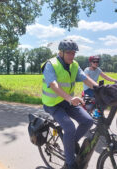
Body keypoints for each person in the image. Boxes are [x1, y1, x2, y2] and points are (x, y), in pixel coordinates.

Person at [41, 39, 97, 169]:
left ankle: (70, 144)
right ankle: (70, 164)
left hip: (67, 101)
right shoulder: (51, 64)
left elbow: (85, 79)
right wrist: (69, 98)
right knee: (70, 127)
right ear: (60, 52)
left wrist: (100, 89)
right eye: (69, 53)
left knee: (88, 121)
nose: (72, 56)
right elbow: (53, 85)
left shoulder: (74, 64)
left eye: (74, 53)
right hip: (53, 104)